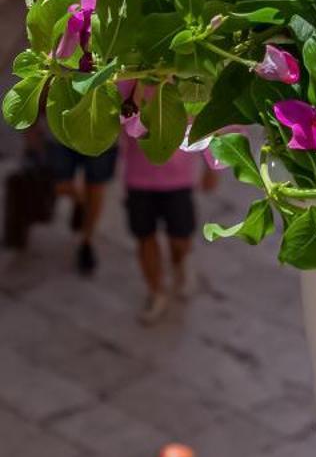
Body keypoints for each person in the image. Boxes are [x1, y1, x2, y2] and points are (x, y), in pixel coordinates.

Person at [122, 121, 215, 325]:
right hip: (138, 178)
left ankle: (181, 263)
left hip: (178, 180)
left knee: (180, 240)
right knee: (144, 237)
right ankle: (156, 292)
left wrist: (212, 166)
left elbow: (203, 119)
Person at [47, 133, 117, 275]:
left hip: (102, 131)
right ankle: (82, 201)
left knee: (96, 187)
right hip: (60, 129)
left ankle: (87, 241)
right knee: (59, 184)